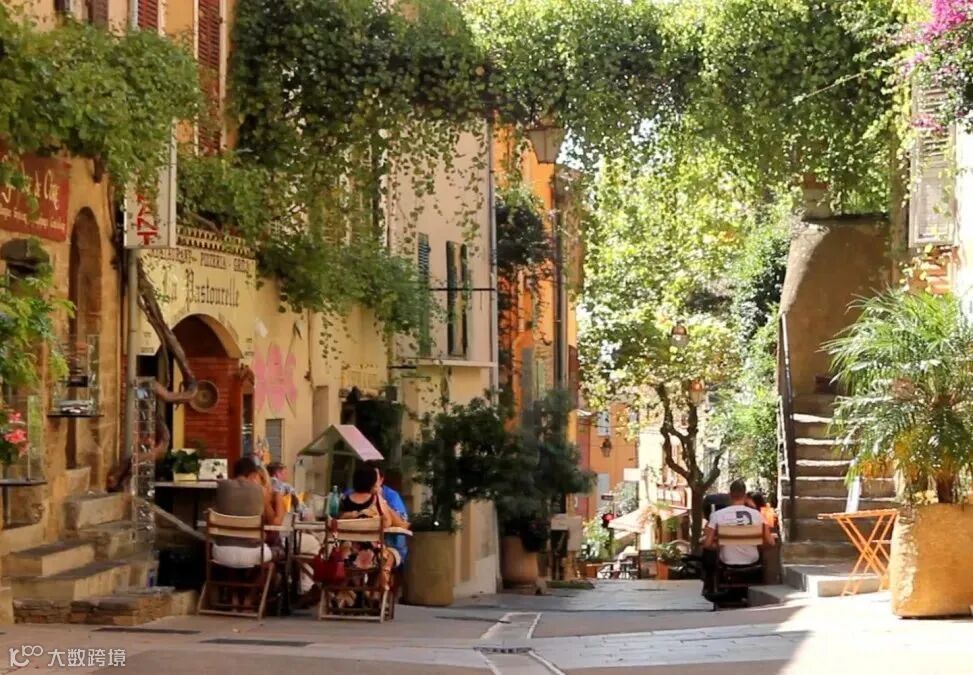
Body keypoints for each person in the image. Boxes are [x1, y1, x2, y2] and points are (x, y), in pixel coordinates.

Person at [702, 479, 773, 594]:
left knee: (710, 556)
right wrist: (756, 544)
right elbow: (771, 542)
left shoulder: (717, 515)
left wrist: (721, 544)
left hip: (728, 561)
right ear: (745, 495)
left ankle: (710, 587)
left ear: (729, 495)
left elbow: (707, 544)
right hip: (752, 561)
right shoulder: (758, 515)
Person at [343, 463, 409, 565]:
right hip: (372, 554)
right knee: (389, 556)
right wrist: (381, 501)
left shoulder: (345, 498)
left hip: (346, 554)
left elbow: (338, 518)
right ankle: (385, 572)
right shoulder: (377, 500)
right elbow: (387, 522)